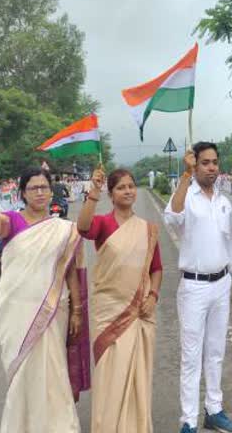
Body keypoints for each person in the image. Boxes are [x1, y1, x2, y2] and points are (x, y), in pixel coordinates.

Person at [0, 158, 89, 432]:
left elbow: (70, 271)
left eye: (44, 187)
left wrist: (77, 310)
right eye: (33, 188)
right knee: (24, 371)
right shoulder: (13, 221)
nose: (39, 192)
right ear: (22, 193)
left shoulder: (62, 229)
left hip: (53, 310)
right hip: (18, 311)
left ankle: (59, 425)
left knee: (53, 368)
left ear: (51, 191)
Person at [166, 142, 232, 433]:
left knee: (215, 351)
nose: (212, 167)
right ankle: (188, 420)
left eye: (215, 162)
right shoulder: (186, 196)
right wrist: (185, 177)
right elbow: (172, 219)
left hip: (222, 284)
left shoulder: (223, 201)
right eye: (205, 163)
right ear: (195, 165)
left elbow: (231, 244)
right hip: (194, 287)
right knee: (191, 355)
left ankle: (214, 410)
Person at [77, 167, 163, 433]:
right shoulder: (103, 223)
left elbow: (156, 268)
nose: (127, 191)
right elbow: (83, 228)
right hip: (108, 312)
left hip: (139, 312)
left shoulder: (147, 229)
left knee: (137, 372)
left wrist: (153, 295)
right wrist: (93, 192)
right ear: (111, 194)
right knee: (109, 373)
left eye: (131, 186)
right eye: (120, 187)